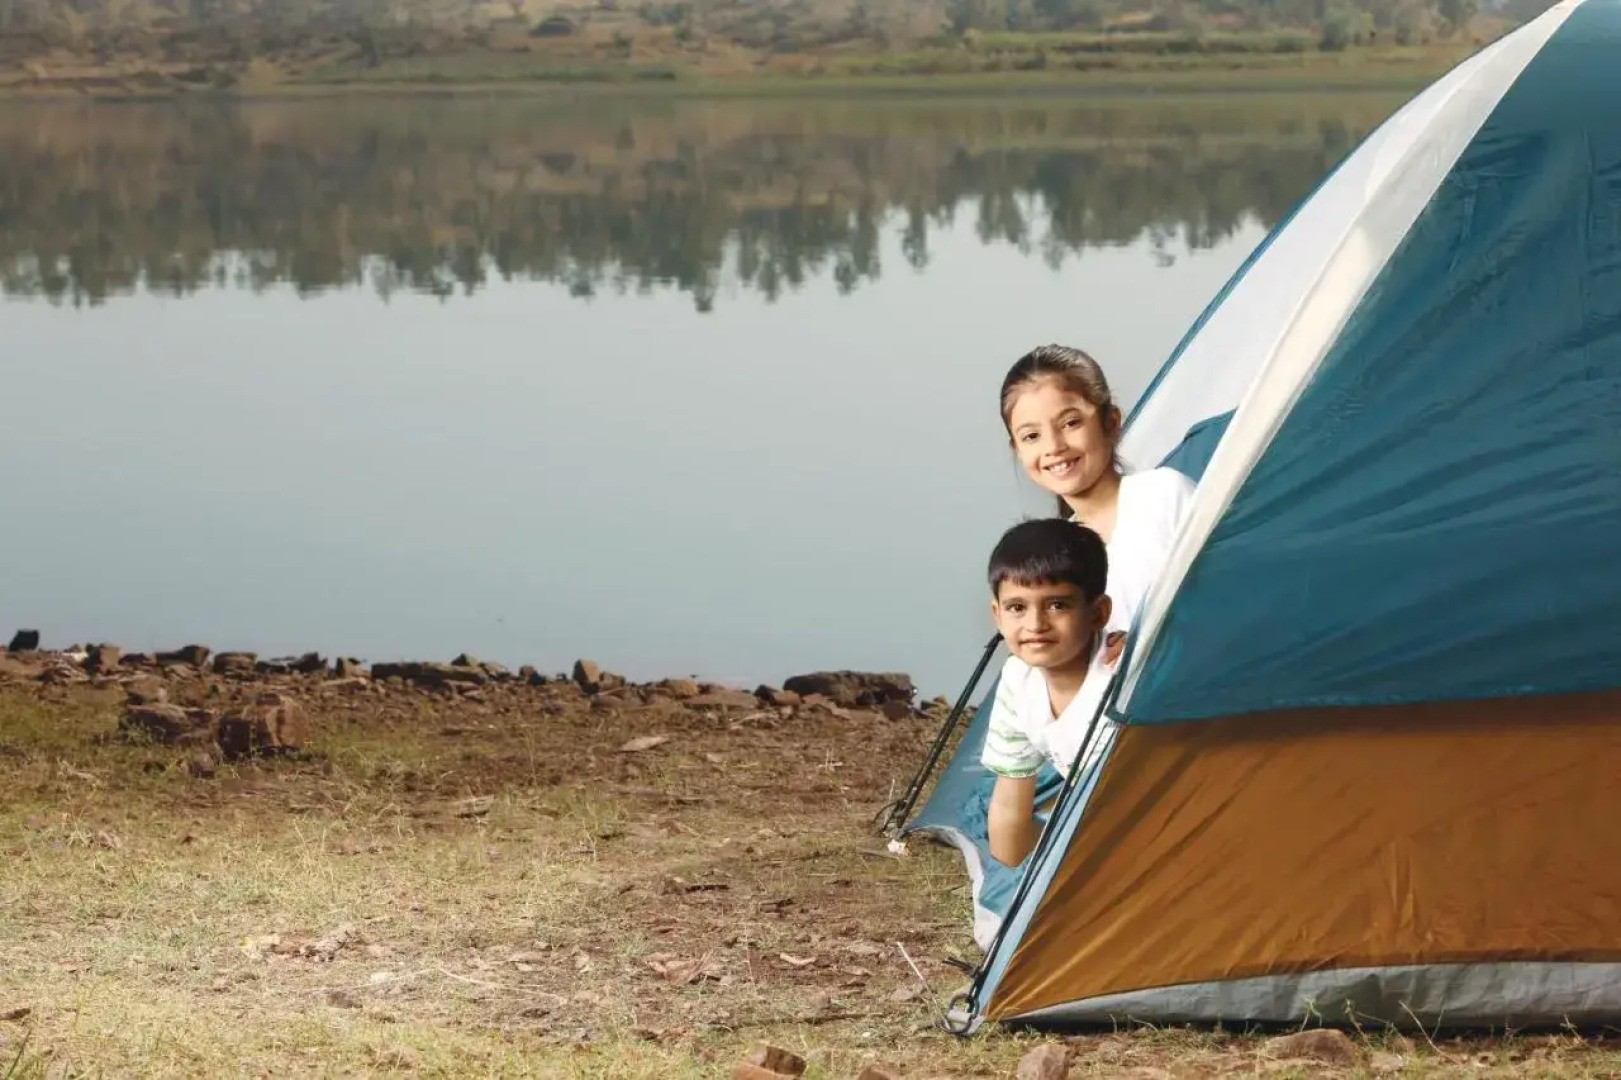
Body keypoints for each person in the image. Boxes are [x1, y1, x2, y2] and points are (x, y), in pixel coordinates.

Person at [999, 344, 1195, 641]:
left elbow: (1232, 592)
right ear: (1017, 449)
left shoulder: (1164, 495)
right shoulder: (1054, 557)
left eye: (1071, 423)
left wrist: (1145, 642)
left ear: (1110, 422)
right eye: (1031, 436)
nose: (1053, 447)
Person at [980, 518, 1120, 867]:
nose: (1035, 624)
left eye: (1057, 605)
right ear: (997, 616)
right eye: (1017, 607)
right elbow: (1010, 805)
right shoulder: (1018, 680)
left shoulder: (1122, 673)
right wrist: (1007, 891)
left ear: (1098, 613)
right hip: (1098, 828)